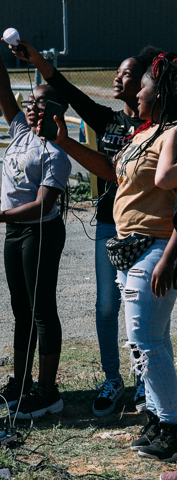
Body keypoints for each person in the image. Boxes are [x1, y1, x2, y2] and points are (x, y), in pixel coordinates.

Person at [12, 41, 162, 416]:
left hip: (143, 227)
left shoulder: (155, 127)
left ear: (144, 82)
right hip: (109, 225)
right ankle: (113, 379)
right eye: (119, 71)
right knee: (106, 306)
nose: (118, 77)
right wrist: (36, 60)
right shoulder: (110, 120)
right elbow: (67, 89)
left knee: (139, 309)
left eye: (127, 74)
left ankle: (145, 382)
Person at [47, 52, 177, 462]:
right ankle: (157, 417)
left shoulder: (174, 132)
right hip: (129, 249)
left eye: (144, 86)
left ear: (163, 92)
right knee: (149, 343)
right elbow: (109, 170)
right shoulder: (146, 133)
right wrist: (63, 141)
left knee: (146, 344)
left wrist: (169, 258)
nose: (137, 92)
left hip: (155, 247)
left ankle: (172, 425)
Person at [0, 16, 71, 419]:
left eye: (40, 102)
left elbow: (44, 205)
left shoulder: (56, 153)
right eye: (31, 102)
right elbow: (1, 86)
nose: (30, 105)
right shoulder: (21, 132)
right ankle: (21, 382)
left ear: (56, 110)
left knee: (42, 309)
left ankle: (47, 390)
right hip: (13, 231)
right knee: (20, 310)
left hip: (39, 233)